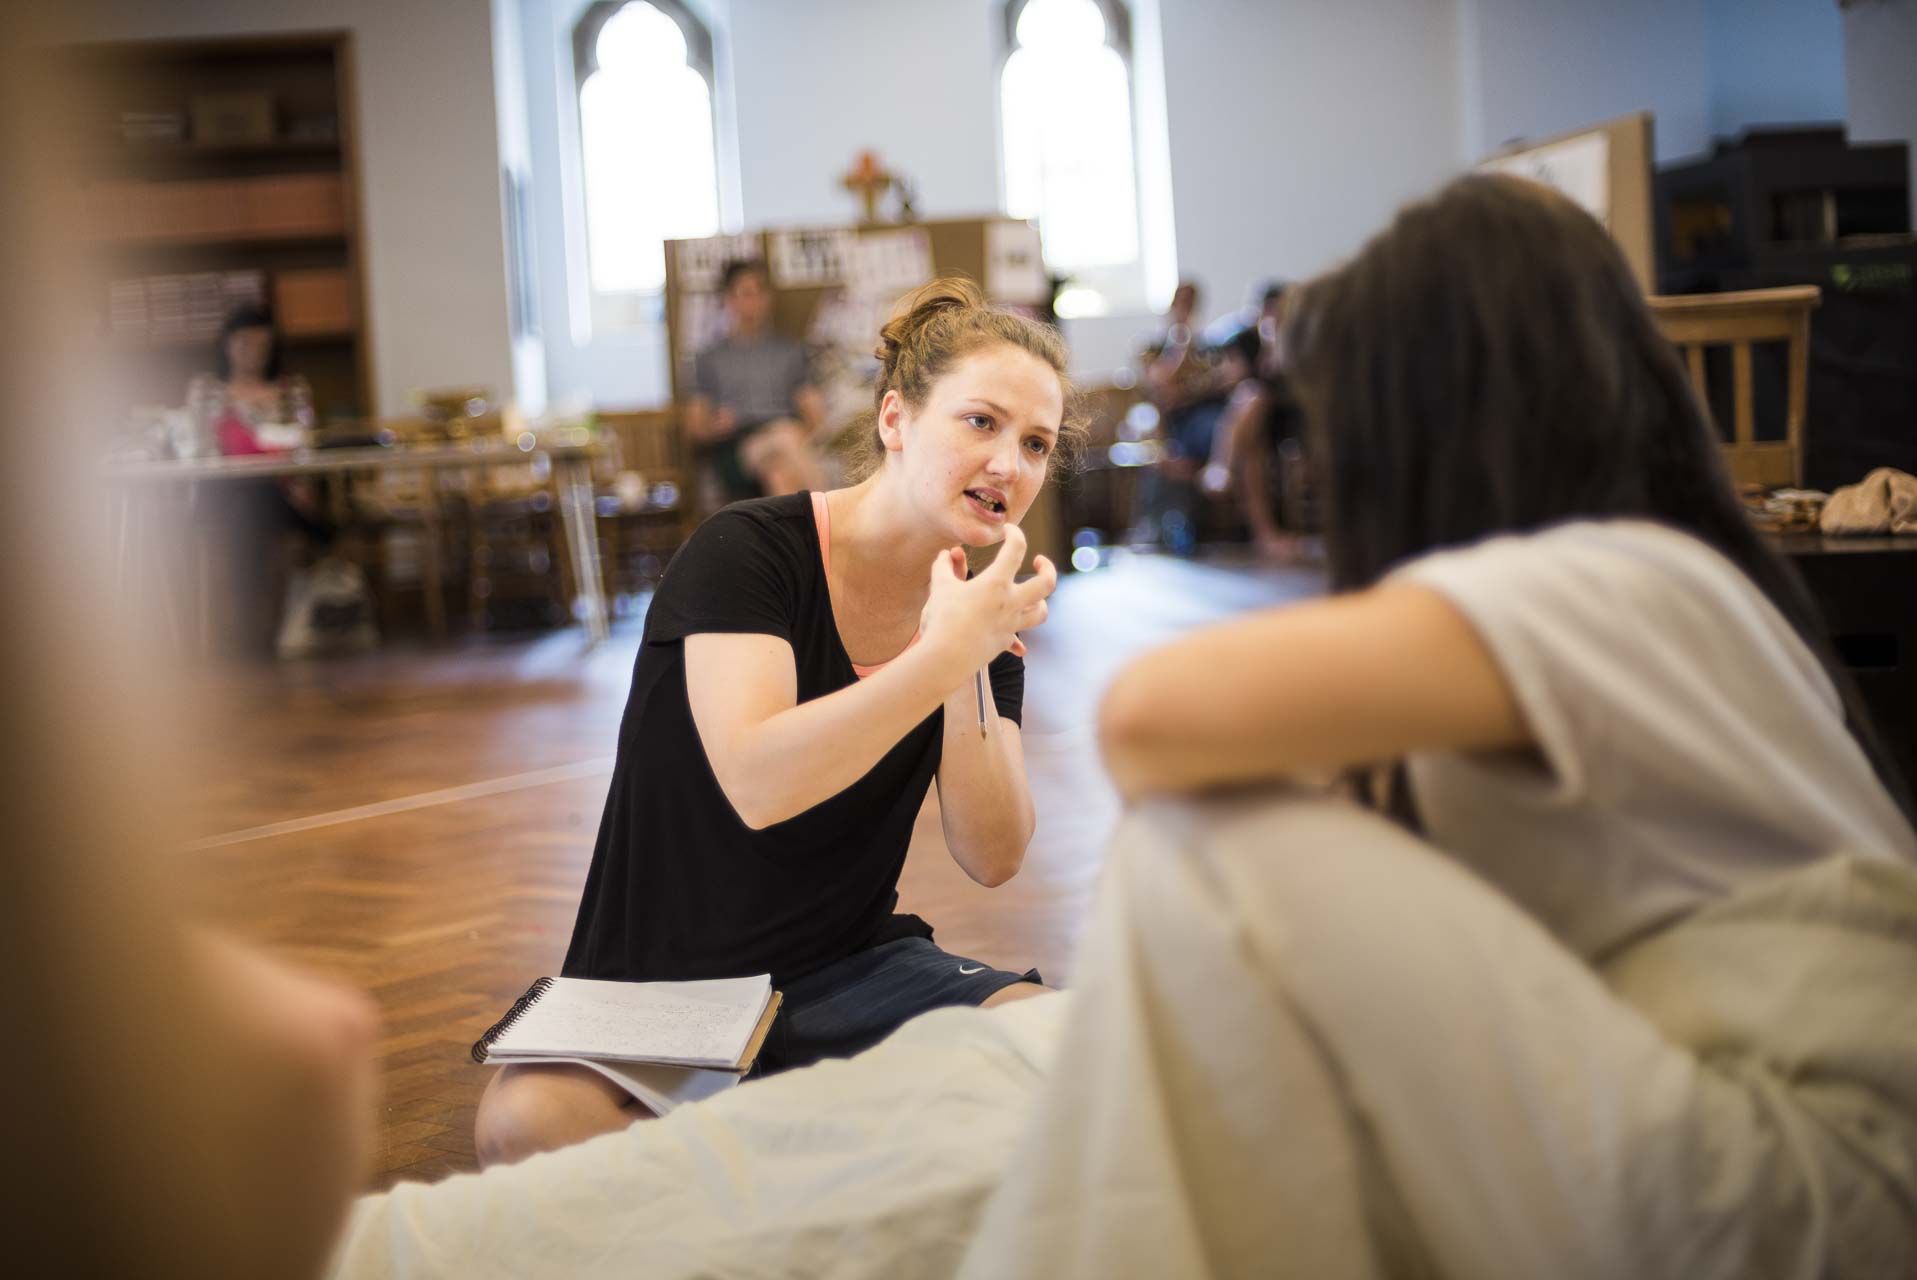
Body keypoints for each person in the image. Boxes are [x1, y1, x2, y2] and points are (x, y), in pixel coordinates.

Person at [961, 173, 1917, 1276]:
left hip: (1821, 1173)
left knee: (1204, 846)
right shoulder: (1649, 574)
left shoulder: (1613, 578)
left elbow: (1144, 719)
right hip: (1762, 1111)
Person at [473, 278, 1080, 1167]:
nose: (1008, 465)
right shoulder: (747, 551)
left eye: (1036, 444)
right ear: (895, 420)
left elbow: (992, 855)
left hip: (846, 969)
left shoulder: (975, 627)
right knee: (526, 1129)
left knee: (1071, 1052)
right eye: (980, 423)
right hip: (663, 987)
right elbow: (762, 783)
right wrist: (942, 656)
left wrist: (968, 662)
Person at [685, 259, 831, 503]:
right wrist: (714, 426)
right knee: (787, 436)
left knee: (780, 474)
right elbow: (695, 427)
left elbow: (814, 414)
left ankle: (799, 540)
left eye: (759, 292)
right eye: (744, 293)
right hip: (737, 447)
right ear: (728, 299)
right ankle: (836, 519)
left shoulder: (790, 352)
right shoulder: (709, 357)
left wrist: (807, 432)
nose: (753, 301)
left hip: (786, 439)